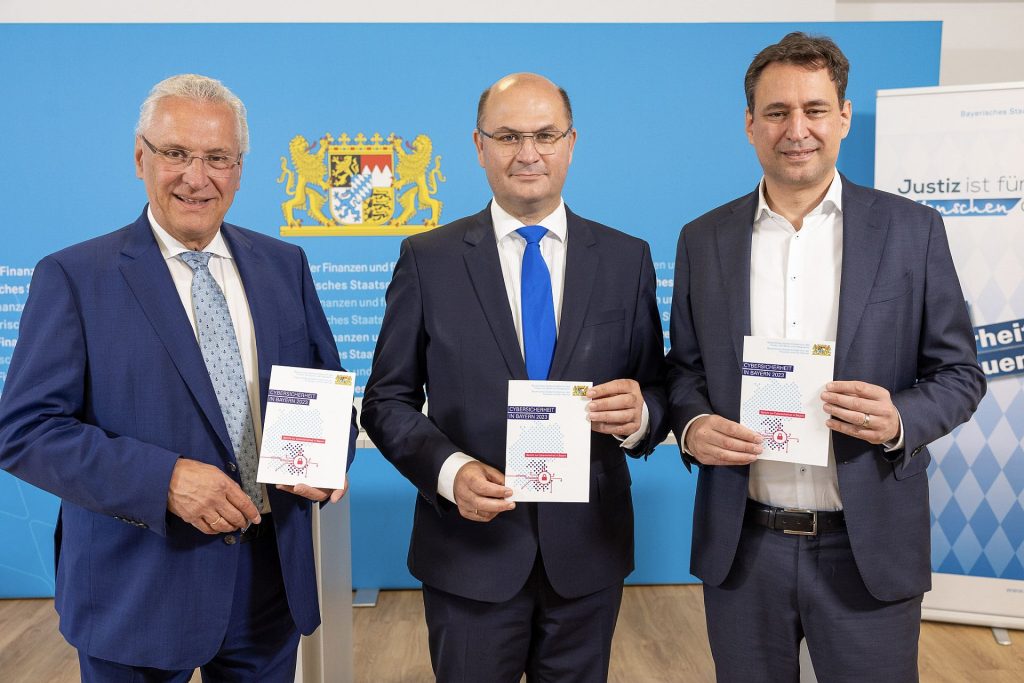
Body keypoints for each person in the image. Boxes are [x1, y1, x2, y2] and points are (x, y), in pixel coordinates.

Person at [0, 74, 357, 681]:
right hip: (135, 588)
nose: (197, 176)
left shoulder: (283, 265)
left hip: (268, 584)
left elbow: (327, 392)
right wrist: (163, 480)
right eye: (176, 154)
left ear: (239, 169)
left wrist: (327, 460)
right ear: (141, 157)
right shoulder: (74, 276)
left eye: (217, 157)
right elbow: (26, 431)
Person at [666, 33, 985, 683]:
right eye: (777, 112)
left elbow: (960, 374)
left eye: (815, 108)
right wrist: (694, 425)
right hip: (743, 543)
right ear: (750, 124)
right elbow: (684, 369)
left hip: (866, 545)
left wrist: (898, 417)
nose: (797, 128)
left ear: (843, 115)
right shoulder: (703, 238)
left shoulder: (911, 230)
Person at [361, 72, 667, 682]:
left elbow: (657, 386)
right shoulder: (428, 260)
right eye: (507, 136)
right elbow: (386, 401)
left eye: (545, 135)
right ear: (478, 146)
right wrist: (450, 473)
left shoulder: (625, 258)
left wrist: (642, 418)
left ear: (571, 143)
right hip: (469, 554)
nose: (528, 153)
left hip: (588, 553)